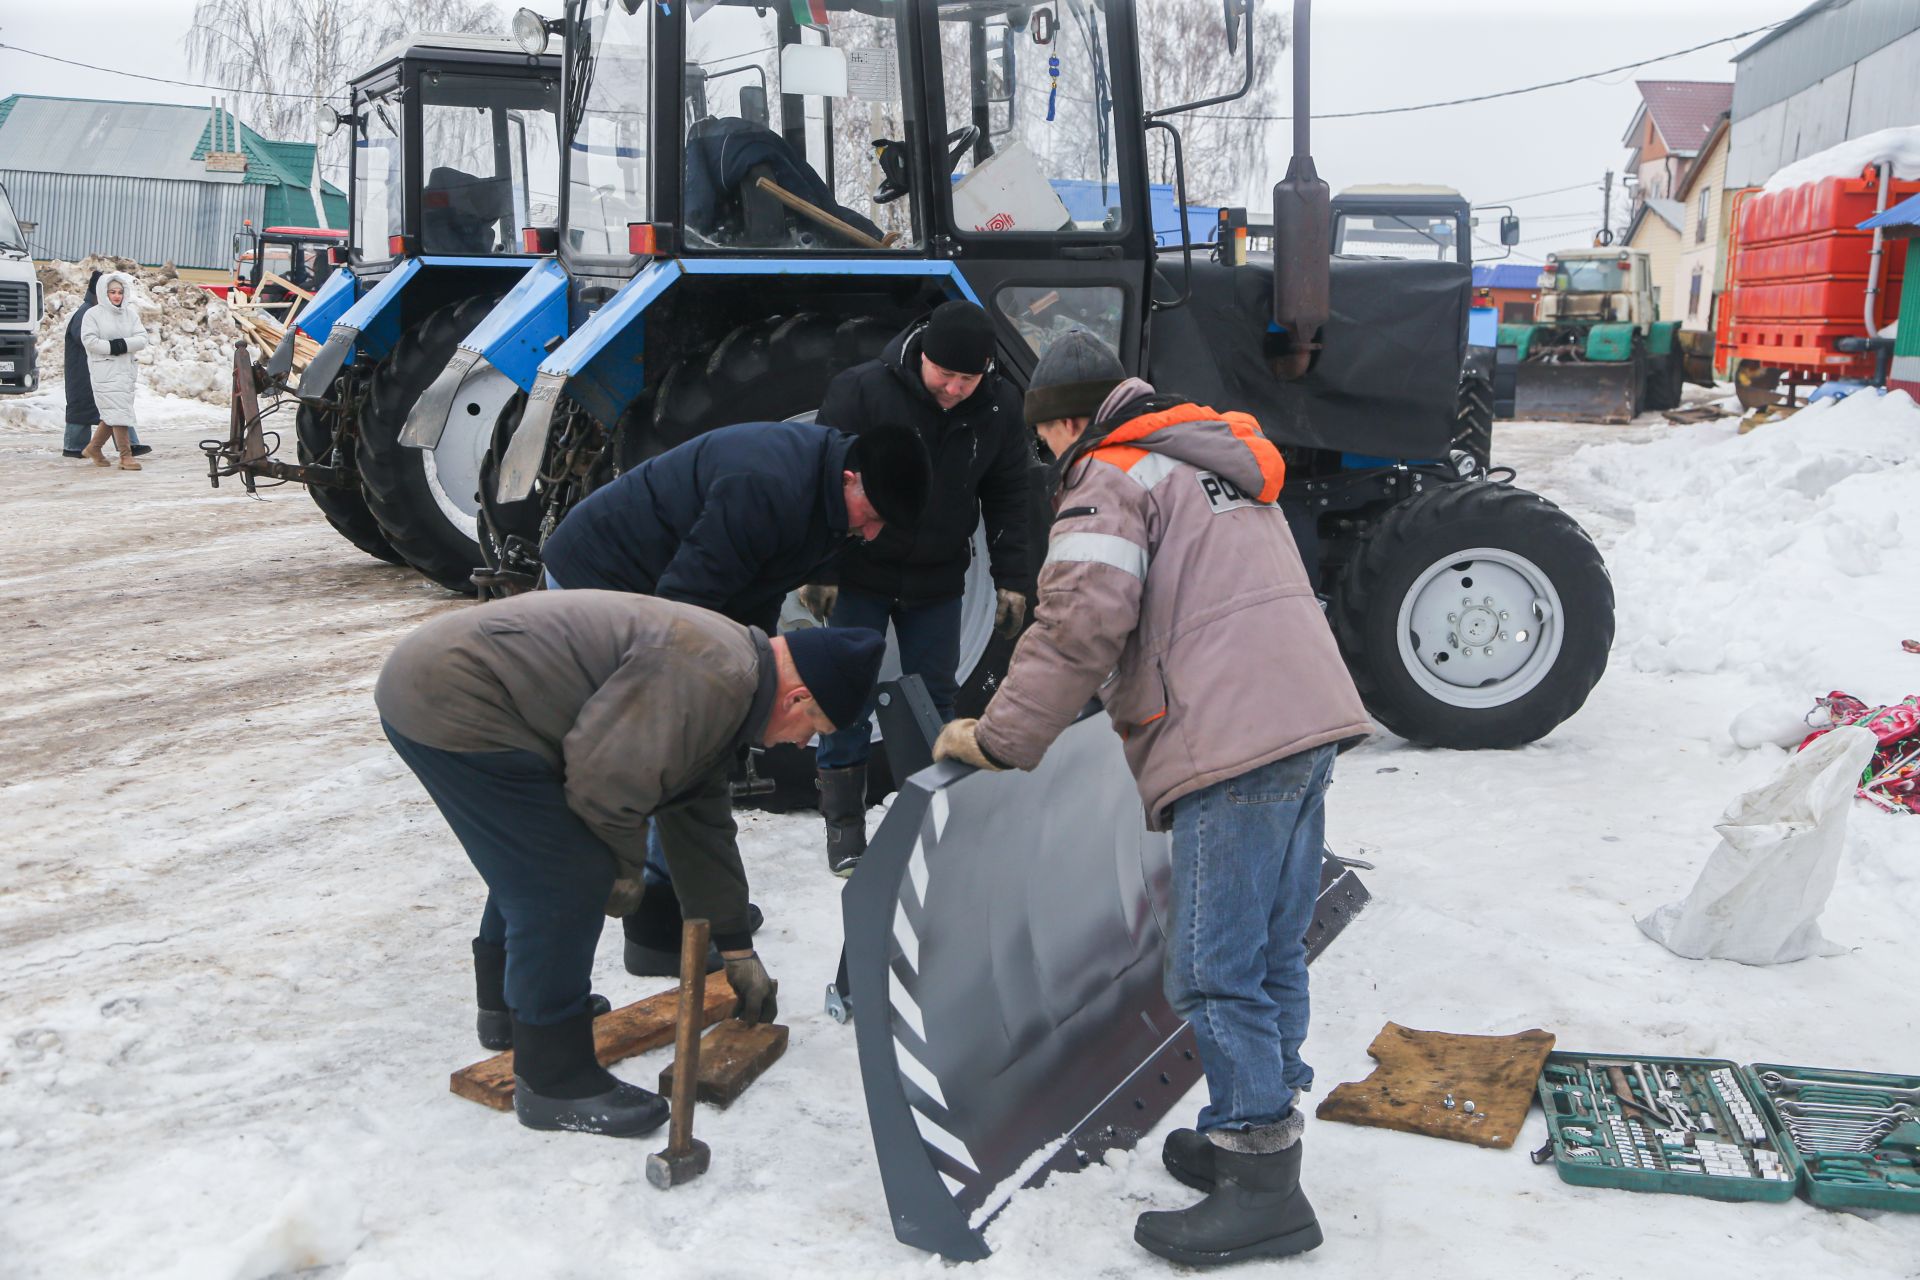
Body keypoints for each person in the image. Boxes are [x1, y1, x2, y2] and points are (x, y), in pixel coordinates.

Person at [931, 332, 1370, 1268]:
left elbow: (1081, 619)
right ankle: (1249, 1130)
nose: (1051, 461)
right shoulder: (1205, 461)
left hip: (1232, 740)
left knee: (1213, 968)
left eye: (1045, 442)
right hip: (1304, 718)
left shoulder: (1111, 472)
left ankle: (1263, 1183)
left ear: (1060, 419)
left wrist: (1003, 736)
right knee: (1267, 947)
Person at [377, 588, 885, 1138]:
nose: (801, 742)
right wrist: (619, 874)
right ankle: (554, 1079)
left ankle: (508, 1013)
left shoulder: (735, 679)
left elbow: (699, 823)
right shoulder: (712, 678)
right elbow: (603, 783)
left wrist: (735, 944)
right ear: (798, 697)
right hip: (455, 697)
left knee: (536, 855)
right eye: (814, 729)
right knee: (562, 875)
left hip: (464, 686)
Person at [540, 418, 930, 975]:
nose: (869, 537)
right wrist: (722, 711)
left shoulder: (823, 504)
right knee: (663, 741)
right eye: (871, 519)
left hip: (658, 587)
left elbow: (753, 599)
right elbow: (680, 619)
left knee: (694, 739)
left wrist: (751, 689)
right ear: (850, 480)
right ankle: (657, 925)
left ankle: (690, 908)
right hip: (600, 578)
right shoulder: (766, 487)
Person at [803, 299, 1034, 876]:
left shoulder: (1001, 409)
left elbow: (1012, 494)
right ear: (922, 355)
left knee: (937, 699)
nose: (954, 389)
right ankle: (844, 827)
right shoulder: (862, 392)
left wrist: (1013, 579)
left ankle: (928, 820)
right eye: (944, 375)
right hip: (861, 572)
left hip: (937, 578)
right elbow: (825, 482)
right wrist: (822, 566)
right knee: (844, 691)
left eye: (968, 378)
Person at [63, 269, 145, 461]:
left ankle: (107, 447)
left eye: (119, 292)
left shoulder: (123, 314)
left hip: (115, 370)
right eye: (111, 292)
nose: (116, 296)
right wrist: (115, 346)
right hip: (87, 372)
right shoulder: (87, 313)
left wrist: (123, 344)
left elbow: (140, 337)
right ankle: (80, 446)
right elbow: (87, 340)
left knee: (115, 408)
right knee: (89, 409)